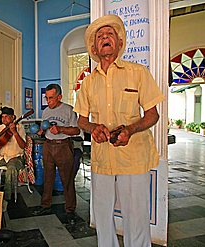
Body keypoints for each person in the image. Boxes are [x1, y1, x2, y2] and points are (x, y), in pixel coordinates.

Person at [74, 15, 165, 247]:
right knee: (102, 216)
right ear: (94, 47)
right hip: (102, 158)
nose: (105, 38)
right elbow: (81, 120)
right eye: (100, 36)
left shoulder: (138, 72)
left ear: (119, 43)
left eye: (110, 35)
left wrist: (131, 129)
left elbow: (153, 114)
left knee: (136, 217)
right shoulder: (87, 82)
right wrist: (93, 128)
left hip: (133, 157)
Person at [32, 84, 80, 224]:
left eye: (51, 98)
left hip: (63, 147)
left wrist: (61, 129)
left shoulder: (69, 110)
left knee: (67, 180)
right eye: (46, 98)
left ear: (59, 97)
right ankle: (45, 206)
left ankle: (70, 210)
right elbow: (44, 128)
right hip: (48, 146)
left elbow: (76, 130)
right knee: (48, 179)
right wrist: (41, 131)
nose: (48, 101)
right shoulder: (46, 111)